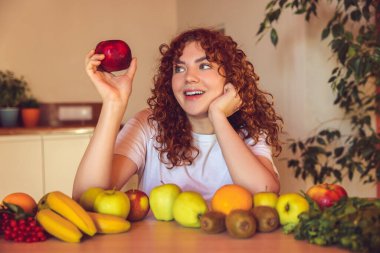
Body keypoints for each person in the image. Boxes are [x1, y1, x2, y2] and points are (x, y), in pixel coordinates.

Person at [72, 28, 283, 201]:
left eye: (204, 65)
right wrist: (113, 103)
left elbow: (265, 193)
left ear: (231, 77)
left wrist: (218, 117)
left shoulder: (250, 132)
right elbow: (87, 198)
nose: (189, 77)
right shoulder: (149, 125)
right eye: (179, 69)